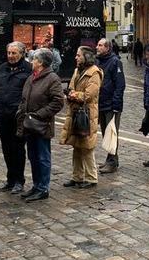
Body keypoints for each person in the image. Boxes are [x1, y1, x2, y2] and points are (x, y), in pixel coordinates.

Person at [18, 49, 65, 201]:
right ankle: (36, 185)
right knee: (33, 156)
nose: (31, 62)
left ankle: (43, 188)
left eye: (34, 59)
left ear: (41, 62)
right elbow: (25, 97)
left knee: (42, 156)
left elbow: (58, 102)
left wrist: (40, 114)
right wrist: (21, 111)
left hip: (41, 124)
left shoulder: (52, 78)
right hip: (29, 123)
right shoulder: (32, 77)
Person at [0, 42, 32, 194]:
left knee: (17, 148)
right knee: (6, 148)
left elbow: (29, 92)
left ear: (22, 54)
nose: (11, 56)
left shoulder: (27, 69)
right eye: (9, 53)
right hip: (2, 115)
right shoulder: (3, 68)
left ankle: (19, 180)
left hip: (18, 116)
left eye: (14, 53)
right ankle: (10, 180)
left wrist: (21, 110)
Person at [61, 47, 103, 188]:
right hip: (75, 112)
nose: (76, 57)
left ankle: (91, 178)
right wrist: (72, 94)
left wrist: (73, 95)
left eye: (78, 55)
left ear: (86, 56)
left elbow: (88, 95)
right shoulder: (77, 70)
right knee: (76, 146)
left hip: (87, 114)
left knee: (87, 146)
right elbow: (72, 88)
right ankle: (77, 176)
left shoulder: (94, 73)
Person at [95, 39, 125, 173]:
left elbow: (120, 84)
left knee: (111, 133)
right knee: (105, 133)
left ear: (107, 48)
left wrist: (116, 103)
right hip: (101, 102)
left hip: (111, 104)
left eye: (100, 45)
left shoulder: (115, 62)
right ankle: (110, 159)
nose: (97, 47)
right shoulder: (98, 61)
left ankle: (112, 162)